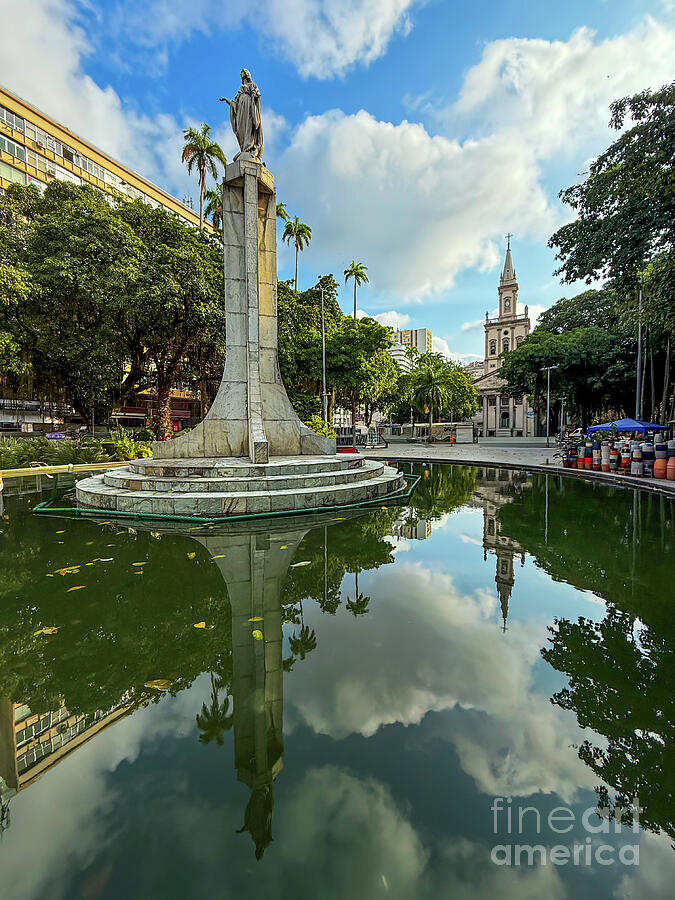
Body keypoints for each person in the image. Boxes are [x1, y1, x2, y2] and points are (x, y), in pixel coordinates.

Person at [220, 69, 263, 162]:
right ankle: (244, 148)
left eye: (242, 72)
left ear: (247, 74)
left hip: (249, 108)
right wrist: (227, 101)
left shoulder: (252, 85)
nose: (241, 74)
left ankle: (250, 146)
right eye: (240, 73)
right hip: (241, 110)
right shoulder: (241, 88)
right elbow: (235, 102)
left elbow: (257, 95)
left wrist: (253, 96)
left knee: (249, 126)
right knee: (241, 128)